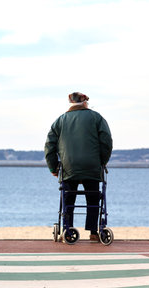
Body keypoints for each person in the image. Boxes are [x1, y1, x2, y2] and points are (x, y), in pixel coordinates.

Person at [45, 92, 113, 242]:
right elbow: (106, 142)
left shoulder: (60, 121)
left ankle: (67, 229)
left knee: (68, 199)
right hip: (92, 166)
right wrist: (102, 161)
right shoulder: (97, 118)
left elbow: (49, 146)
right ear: (84, 102)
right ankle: (94, 232)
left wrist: (53, 168)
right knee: (93, 199)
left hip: (69, 167)